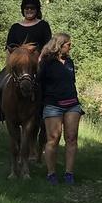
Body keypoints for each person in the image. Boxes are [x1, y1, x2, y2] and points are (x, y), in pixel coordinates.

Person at [0, 0, 52, 126]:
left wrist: (40, 60)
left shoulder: (43, 25)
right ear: (23, 9)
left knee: (47, 85)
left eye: (32, 8)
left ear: (37, 10)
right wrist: (9, 64)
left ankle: (45, 113)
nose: (29, 10)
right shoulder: (15, 27)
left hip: (37, 63)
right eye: (27, 8)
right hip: (17, 65)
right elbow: (9, 48)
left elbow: (47, 46)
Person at [39, 34, 84, 184]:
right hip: (53, 105)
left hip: (72, 105)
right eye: (69, 44)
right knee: (53, 139)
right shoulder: (46, 63)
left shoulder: (70, 62)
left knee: (71, 139)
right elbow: (40, 84)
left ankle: (69, 173)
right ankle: (51, 173)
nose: (70, 47)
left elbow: (71, 82)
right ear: (60, 45)